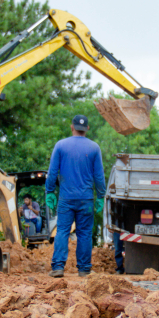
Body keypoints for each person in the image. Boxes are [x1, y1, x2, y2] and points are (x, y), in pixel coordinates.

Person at [45, 115, 106, 278]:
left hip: (66, 199)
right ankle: (84, 269)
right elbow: (99, 176)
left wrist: (49, 192)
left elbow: (52, 173)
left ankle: (58, 267)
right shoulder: (94, 148)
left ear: (72, 127)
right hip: (86, 199)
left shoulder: (60, 146)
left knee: (62, 231)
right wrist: (101, 196)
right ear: (88, 129)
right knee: (85, 233)